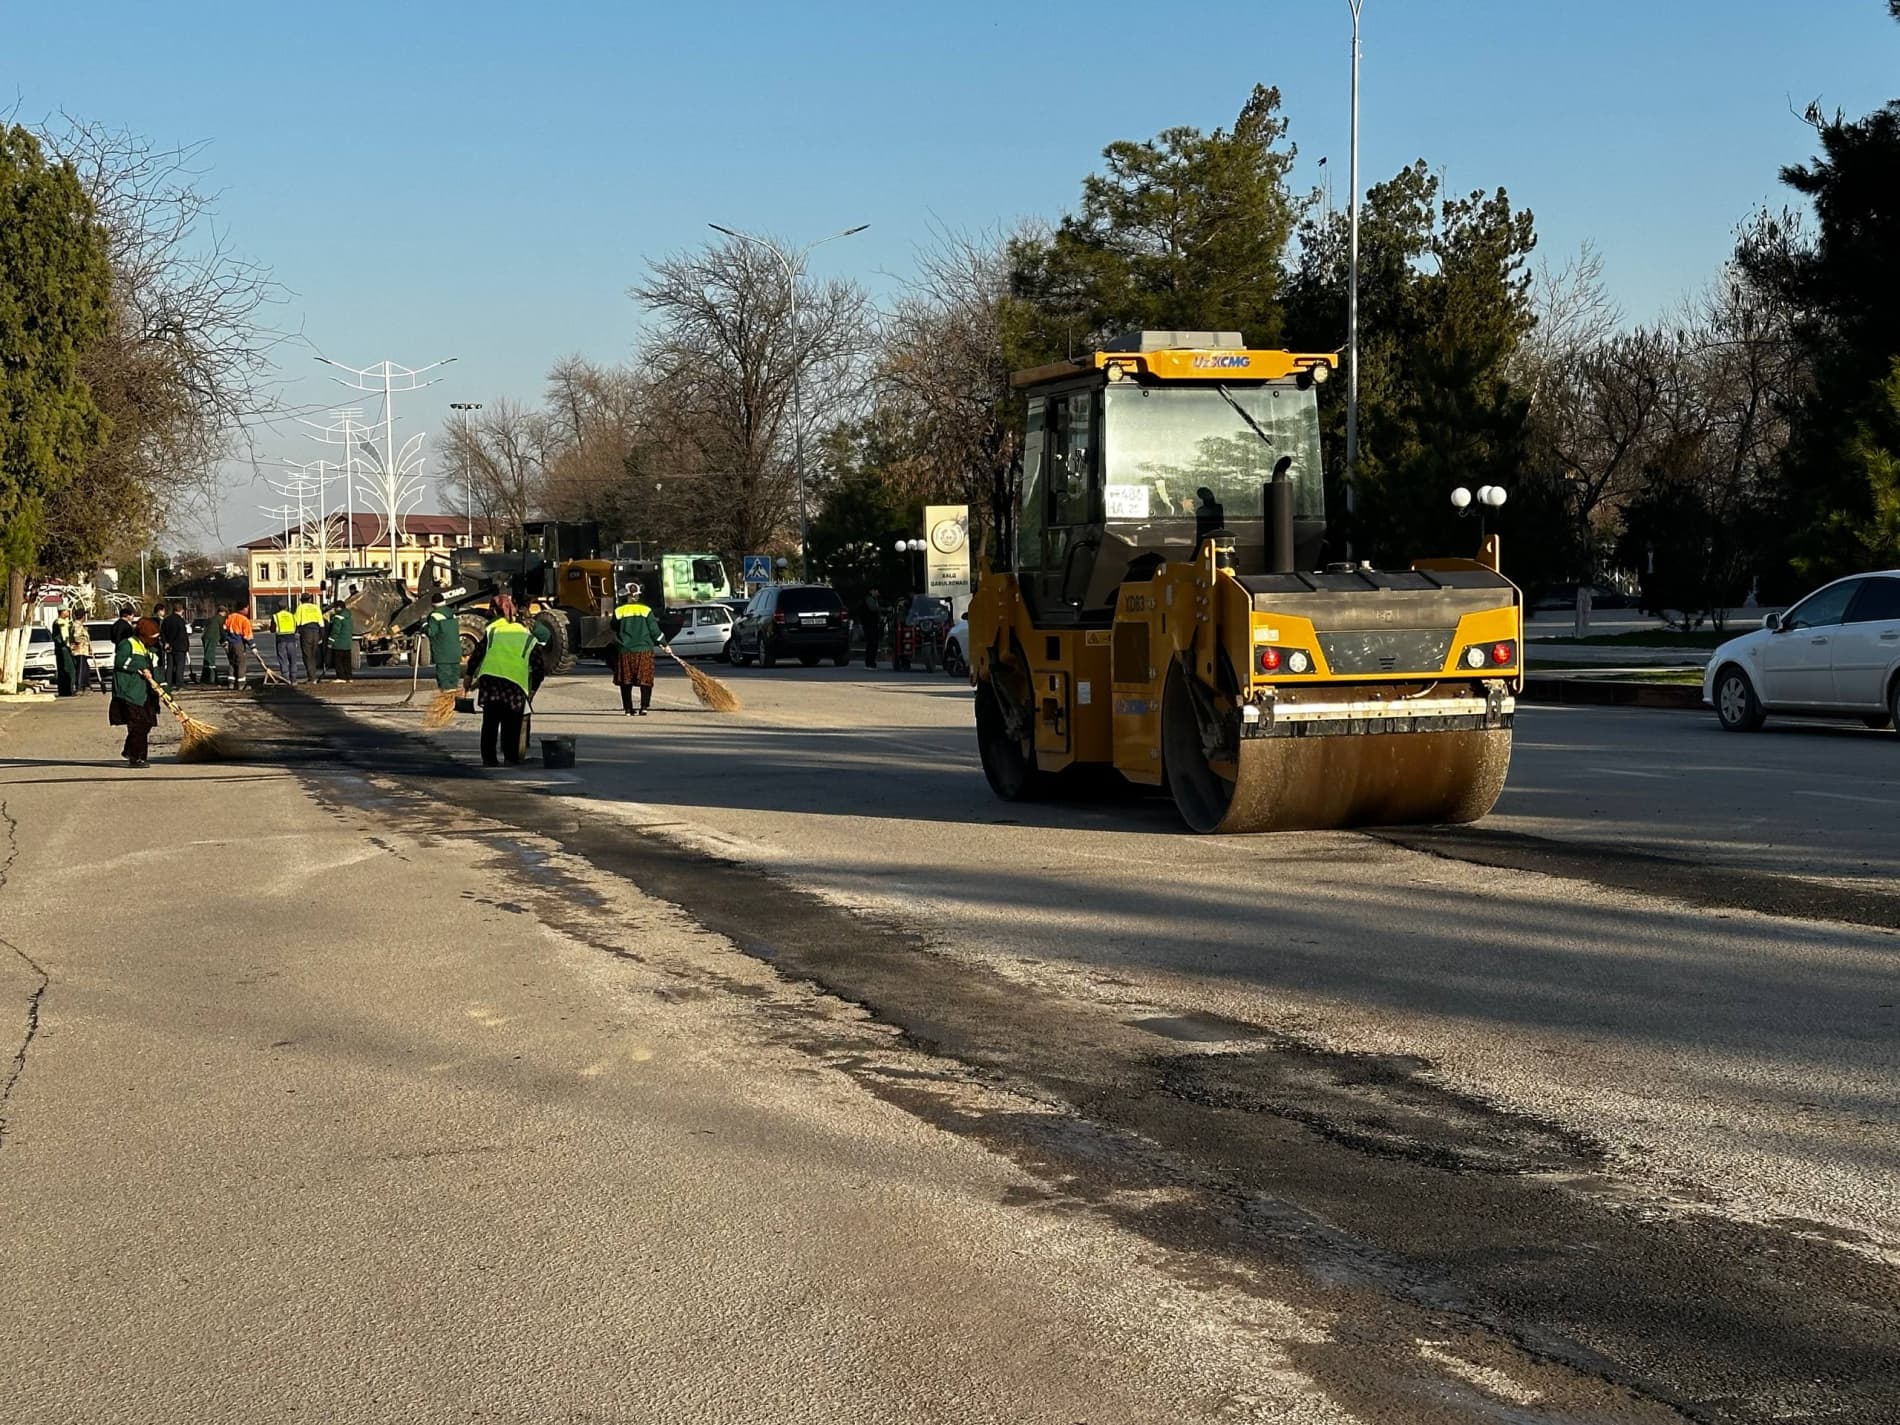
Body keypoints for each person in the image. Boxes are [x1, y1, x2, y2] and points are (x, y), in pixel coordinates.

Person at [465, 596, 547, 766]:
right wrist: (533, 689)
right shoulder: (527, 636)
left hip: (491, 681)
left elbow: (477, 654)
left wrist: (468, 675)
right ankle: (511, 757)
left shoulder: (493, 631)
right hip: (514, 684)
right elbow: (539, 667)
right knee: (513, 722)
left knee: (490, 722)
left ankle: (489, 759)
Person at [108, 617, 165, 768]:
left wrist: (164, 690)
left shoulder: (149, 649)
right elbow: (121, 663)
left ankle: (133, 752)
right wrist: (140, 667)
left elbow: (157, 669)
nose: (154, 641)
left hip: (146, 693)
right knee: (138, 724)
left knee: (147, 723)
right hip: (130, 692)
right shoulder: (127, 644)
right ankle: (135, 757)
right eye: (152, 638)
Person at [610, 583, 665, 716]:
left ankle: (628, 709)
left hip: (625, 650)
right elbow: (654, 630)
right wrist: (664, 643)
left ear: (626, 595)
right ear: (638, 595)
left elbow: (613, 626)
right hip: (644, 650)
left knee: (626, 680)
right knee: (645, 679)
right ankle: (644, 707)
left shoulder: (619, 611)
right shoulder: (646, 610)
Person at [423, 598, 463, 693]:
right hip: (455, 653)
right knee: (454, 682)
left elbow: (431, 631)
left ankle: (446, 703)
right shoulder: (452, 613)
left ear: (433, 604)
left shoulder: (434, 615)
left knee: (445, 684)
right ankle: (453, 703)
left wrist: (424, 626)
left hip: (443, 653)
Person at [158, 603, 190, 690]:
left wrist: (166, 643)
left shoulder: (166, 620)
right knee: (180, 665)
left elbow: (162, 633)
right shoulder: (181, 621)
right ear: (181, 610)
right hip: (179, 646)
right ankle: (179, 683)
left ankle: (168, 682)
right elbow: (182, 635)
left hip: (169, 646)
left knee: (170, 665)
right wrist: (186, 646)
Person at [295, 594, 325, 684]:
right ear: (310, 599)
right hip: (316, 632)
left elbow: (296, 621)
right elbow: (321, 623)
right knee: (314, 654)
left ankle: (312, 678)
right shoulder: (316, 608)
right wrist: (321, 636)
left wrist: (295, 633)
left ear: (301, 600)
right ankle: (313, 676)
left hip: (306, 631)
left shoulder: (300, 608)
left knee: (307, 655)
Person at [221, 605, 254, 686]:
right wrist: (253, 646)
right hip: (239, 644)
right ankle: (241, 684)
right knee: (241, 663)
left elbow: (224, 630)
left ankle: (231, 683)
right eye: (247, 608)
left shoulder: (230, 617)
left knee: (232, 663)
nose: (248, 610)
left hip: (230, 644)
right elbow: (247, 636)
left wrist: (225, 641)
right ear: (243, 609)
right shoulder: (244, 620)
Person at [325, 600, 355, 682]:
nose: (334, 609)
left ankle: (341, 677)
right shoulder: (348, 616)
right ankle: (349, 677)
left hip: (339, 643)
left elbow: (335, 631)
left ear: (338, 608)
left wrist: (330, 642)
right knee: (347, 662)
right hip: (347, 643)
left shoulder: (338, 617)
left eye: (335, 607)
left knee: (338, 661)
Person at [269, 604, 300, 681]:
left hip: (281, 640)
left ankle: (285, 677)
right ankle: (293, 678)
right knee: (293, 659)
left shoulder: (276, 616)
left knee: (283, 659)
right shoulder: (292, 616)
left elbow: (272, 629)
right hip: (291, 639)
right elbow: (296, 628)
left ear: (278, 608)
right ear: (286, 608)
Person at [51, 608, 77, 698]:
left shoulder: (67, 622)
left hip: (67, 648)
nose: (68, 612)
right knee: (65, 669)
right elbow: (56, 636)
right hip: (63, 649)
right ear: (61, 612)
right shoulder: (58, 623)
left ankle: (69, 689)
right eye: (66, 611)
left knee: (69, 669)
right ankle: (65, 690)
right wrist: (62, 645)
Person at [70, 617, 97, 693]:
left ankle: (86, 685)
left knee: (86, 669)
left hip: (83, 650)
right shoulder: (77, 625)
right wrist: (84, 641)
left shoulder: (81, 625)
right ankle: (79, 686)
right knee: (81, 669)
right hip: (79, 650)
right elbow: (76, 637)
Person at [862, 586, 883, 670]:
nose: (878, 593)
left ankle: (871, 662)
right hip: (869, 624)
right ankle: (869, 663)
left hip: (873, 624)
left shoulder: (874, 599)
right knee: (872, 643)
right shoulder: (869, 599)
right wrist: (882, 609)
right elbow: (873, 608)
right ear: (872, 591)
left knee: (873, 643)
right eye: (876, 591)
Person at [198, 615, 219, 686]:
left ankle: (208, 677)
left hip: (207, 639)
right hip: (210, 640)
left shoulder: (212, 620)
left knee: (208, 658)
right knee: (210, 658)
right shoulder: (217, 620)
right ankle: (211, 678)